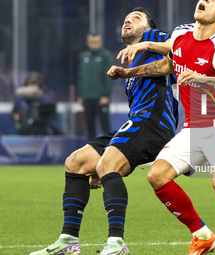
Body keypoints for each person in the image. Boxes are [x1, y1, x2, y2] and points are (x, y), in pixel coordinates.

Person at [109, 1, 215, 254]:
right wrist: (130, 70)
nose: (204, 0)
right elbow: (169, 62)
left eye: (214, 0)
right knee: (157, 176)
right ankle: (203, 236)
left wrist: (200, 77)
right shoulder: (182, 32)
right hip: (193, 127)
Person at [30, 7, 178, 255]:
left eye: (136, 17)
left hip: (154, 122)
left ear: (149, 26)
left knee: (107, 165)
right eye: (126, 18)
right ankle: (68, 242)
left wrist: (130, 70)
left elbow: (173, 64)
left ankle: (117, 244)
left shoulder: (156, 37)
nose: (128, 20)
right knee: (76, 162)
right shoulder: (131, 56)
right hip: (136, 121)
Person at [77, 32, 114, 141]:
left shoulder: (106, 56)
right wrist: (81, 95)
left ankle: (109, 149)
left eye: (96, 42)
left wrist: (106, 94)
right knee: (89, 127)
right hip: (87, 97)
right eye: (92, 42)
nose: (94, 44)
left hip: (100, 98)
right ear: (88, 42)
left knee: (105, 126)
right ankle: (91, 152)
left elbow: (110, 76)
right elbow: (80, 77)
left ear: (100, 42)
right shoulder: (85, 57)